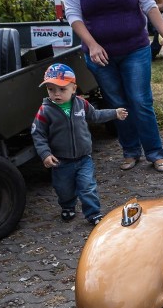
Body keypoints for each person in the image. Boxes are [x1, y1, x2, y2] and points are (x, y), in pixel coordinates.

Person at [62, 0, 163, 173]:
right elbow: (73, 15)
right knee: (117, 104)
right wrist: (92, 44)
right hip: (100, 54)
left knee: (140, 100)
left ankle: (155, 153)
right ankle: (130, 151)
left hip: (135, 47)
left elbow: (149, 4)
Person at [31, 63, 128, 225]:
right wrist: (45, 154)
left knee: (87, 187)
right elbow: (38, 133)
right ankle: (67, 206)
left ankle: (93, 214)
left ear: (73, 88)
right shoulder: (45, 110)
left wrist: (114, 113)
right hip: (60, 161)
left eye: (62, 89)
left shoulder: (81, 104)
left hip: (84, 158)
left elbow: (95, 116)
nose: (56, 94)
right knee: (63, 189)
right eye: (51, 89)